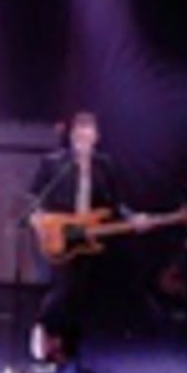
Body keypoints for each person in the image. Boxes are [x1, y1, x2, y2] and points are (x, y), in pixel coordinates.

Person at [26, 111, 152, 335]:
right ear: (72, 137)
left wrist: (132, 217)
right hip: (60, 231)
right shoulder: (54, 163)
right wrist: (37, 219)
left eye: (87, 137)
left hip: (90, 234)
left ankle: (70, 342)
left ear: (96, 138)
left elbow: (115, 203)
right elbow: (34, 197)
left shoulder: (105, 165)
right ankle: (44, 335)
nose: (82, 142)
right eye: (78, 137)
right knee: (62, 289)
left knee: (81, 292)